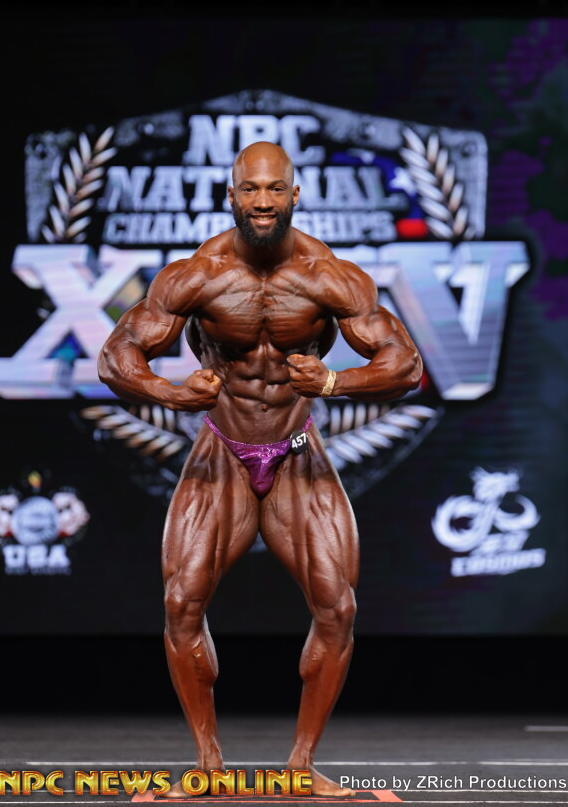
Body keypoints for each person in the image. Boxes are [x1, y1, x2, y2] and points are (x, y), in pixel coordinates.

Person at [97, 141, 423, 797]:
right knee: (181, 603)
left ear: (295, 195)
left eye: (275, 189)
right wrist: (169, 393)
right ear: (232, 196)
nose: (263, 202)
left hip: (297, 449)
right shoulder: (196, 275)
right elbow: (116, 354)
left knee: (337, 607)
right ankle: (208, 768)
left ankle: (301, 768)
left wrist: (333, 382)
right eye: (251, 189)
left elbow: (406, 364)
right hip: (222, 449)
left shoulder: (332, 277)